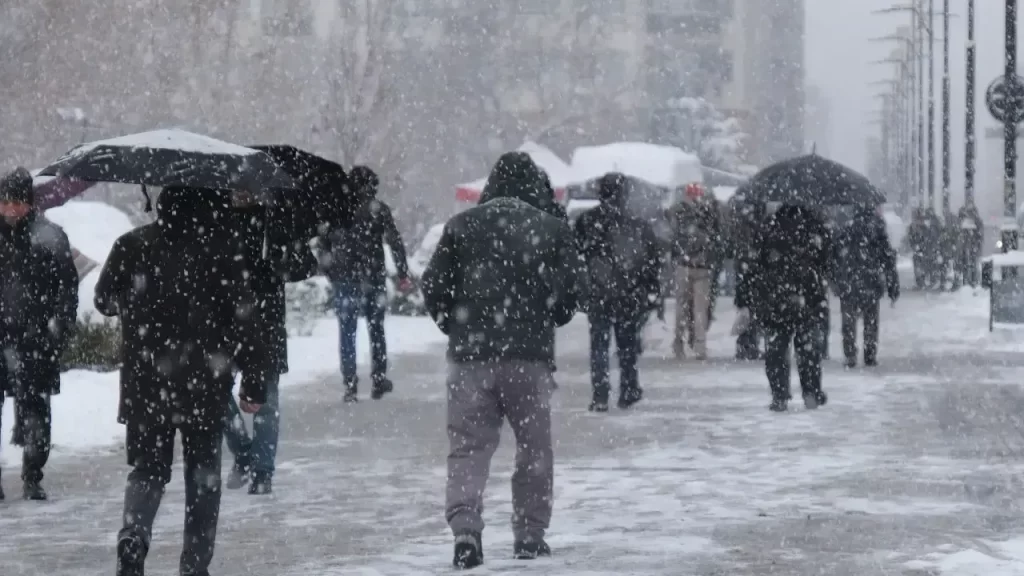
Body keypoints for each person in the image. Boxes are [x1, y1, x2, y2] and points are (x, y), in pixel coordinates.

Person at [95, 187, 270, 576]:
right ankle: (194, 566)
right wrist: (255, 381)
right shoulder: (223, 252)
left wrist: (133, 301)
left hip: (145, 383)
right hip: (204, 385)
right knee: (203, 478)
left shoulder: (131, 244)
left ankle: (134, 536)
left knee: (147, 470)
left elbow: (102, 300)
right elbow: (246, 321)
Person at [421, 151, 579, 569]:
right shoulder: (551, 229)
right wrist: (547, 315)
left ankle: (466, 530)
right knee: (534, 449)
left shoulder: (460, 227)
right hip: (528, 359)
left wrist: (454, 326)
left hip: (470, 358)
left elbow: (433, 286)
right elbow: (570, 294)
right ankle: (529, 534)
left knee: (468, 447)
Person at [222, 190, 319, 495]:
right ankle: (244, 451)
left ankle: (263, 471)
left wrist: (280, 260)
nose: (240, 192)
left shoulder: (277, 220)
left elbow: (305, 265)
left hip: (266, 317)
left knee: (267, 397)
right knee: (216, 391)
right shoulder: (218, 219)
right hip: (226, 317)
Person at [0, 167, 78, 501]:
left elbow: (66, 289)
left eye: (17, 201)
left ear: (29, 202)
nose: (10, 208)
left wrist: (57, 331)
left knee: (36, 412)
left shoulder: (50, 236)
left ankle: (33, 474)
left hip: (36, 340)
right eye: (4, 201)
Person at [319, 166, 412, 403]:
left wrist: (330, 271)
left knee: (347, 331)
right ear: (371, 186)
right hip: (373, 277)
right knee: (376, 328)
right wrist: (402, 273)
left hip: (345, 278)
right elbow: (394, 241)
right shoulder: (378, 210)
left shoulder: (335, 209)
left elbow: (324, 244)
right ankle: (379, 378)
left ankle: (350, 384)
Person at [575, 172, 661, 412]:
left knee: (599, 346)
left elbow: (576, 254)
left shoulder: (587, 220)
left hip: (599, 291)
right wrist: (651, 291)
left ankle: (600, 394)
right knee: (627, 346)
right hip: (629, 292)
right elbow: (650, 261)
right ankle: (628, 388)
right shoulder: (636, 223)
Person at [739, 204, 831, 412]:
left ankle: (779, 395)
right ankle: (811, 392)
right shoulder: (813, 228)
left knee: (776, 351)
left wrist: (746, 298)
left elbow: (752, 267)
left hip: (774, 300)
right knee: (808, 352)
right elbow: (825, 262)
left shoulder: (768, 228)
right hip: (806, 298)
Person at [832, 206, 899, 368]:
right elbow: (888, 259)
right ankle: (869, 354)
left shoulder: (845, 228)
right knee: (871, 321)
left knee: (848, 322)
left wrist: (835, 280)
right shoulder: (877, 229)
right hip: (871, 281)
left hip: (849, 282)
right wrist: (892, 286)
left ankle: (850, 354)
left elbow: (834, 256)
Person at [667, 184, 721, 360]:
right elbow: (716, 237)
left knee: (682, 307)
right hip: (702, 267)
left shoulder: (678, 212)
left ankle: (678, 344)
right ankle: (699, 347)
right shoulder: (708, 213)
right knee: (699, 309)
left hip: (684, 265)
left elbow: (673, 235)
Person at [958, 203, 984, 287]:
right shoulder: (972, 221)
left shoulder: (974, 221)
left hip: (970, 246)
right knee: (971, 264)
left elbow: (979, 235)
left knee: (970, 264)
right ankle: (971, 282)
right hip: (970, 246)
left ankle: (970, 282)